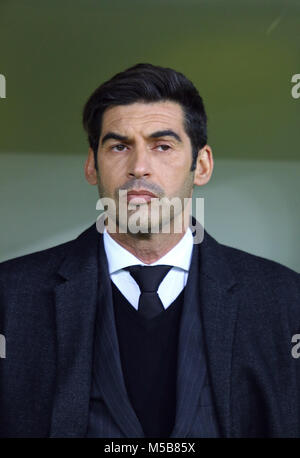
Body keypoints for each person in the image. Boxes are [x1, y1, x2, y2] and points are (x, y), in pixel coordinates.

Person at [0, 63, 299, 438]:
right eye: (119, 146)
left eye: (162, 146)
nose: (139, 167)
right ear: (93, 165)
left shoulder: (285, 301)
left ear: (201, 165)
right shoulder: (9, 298)